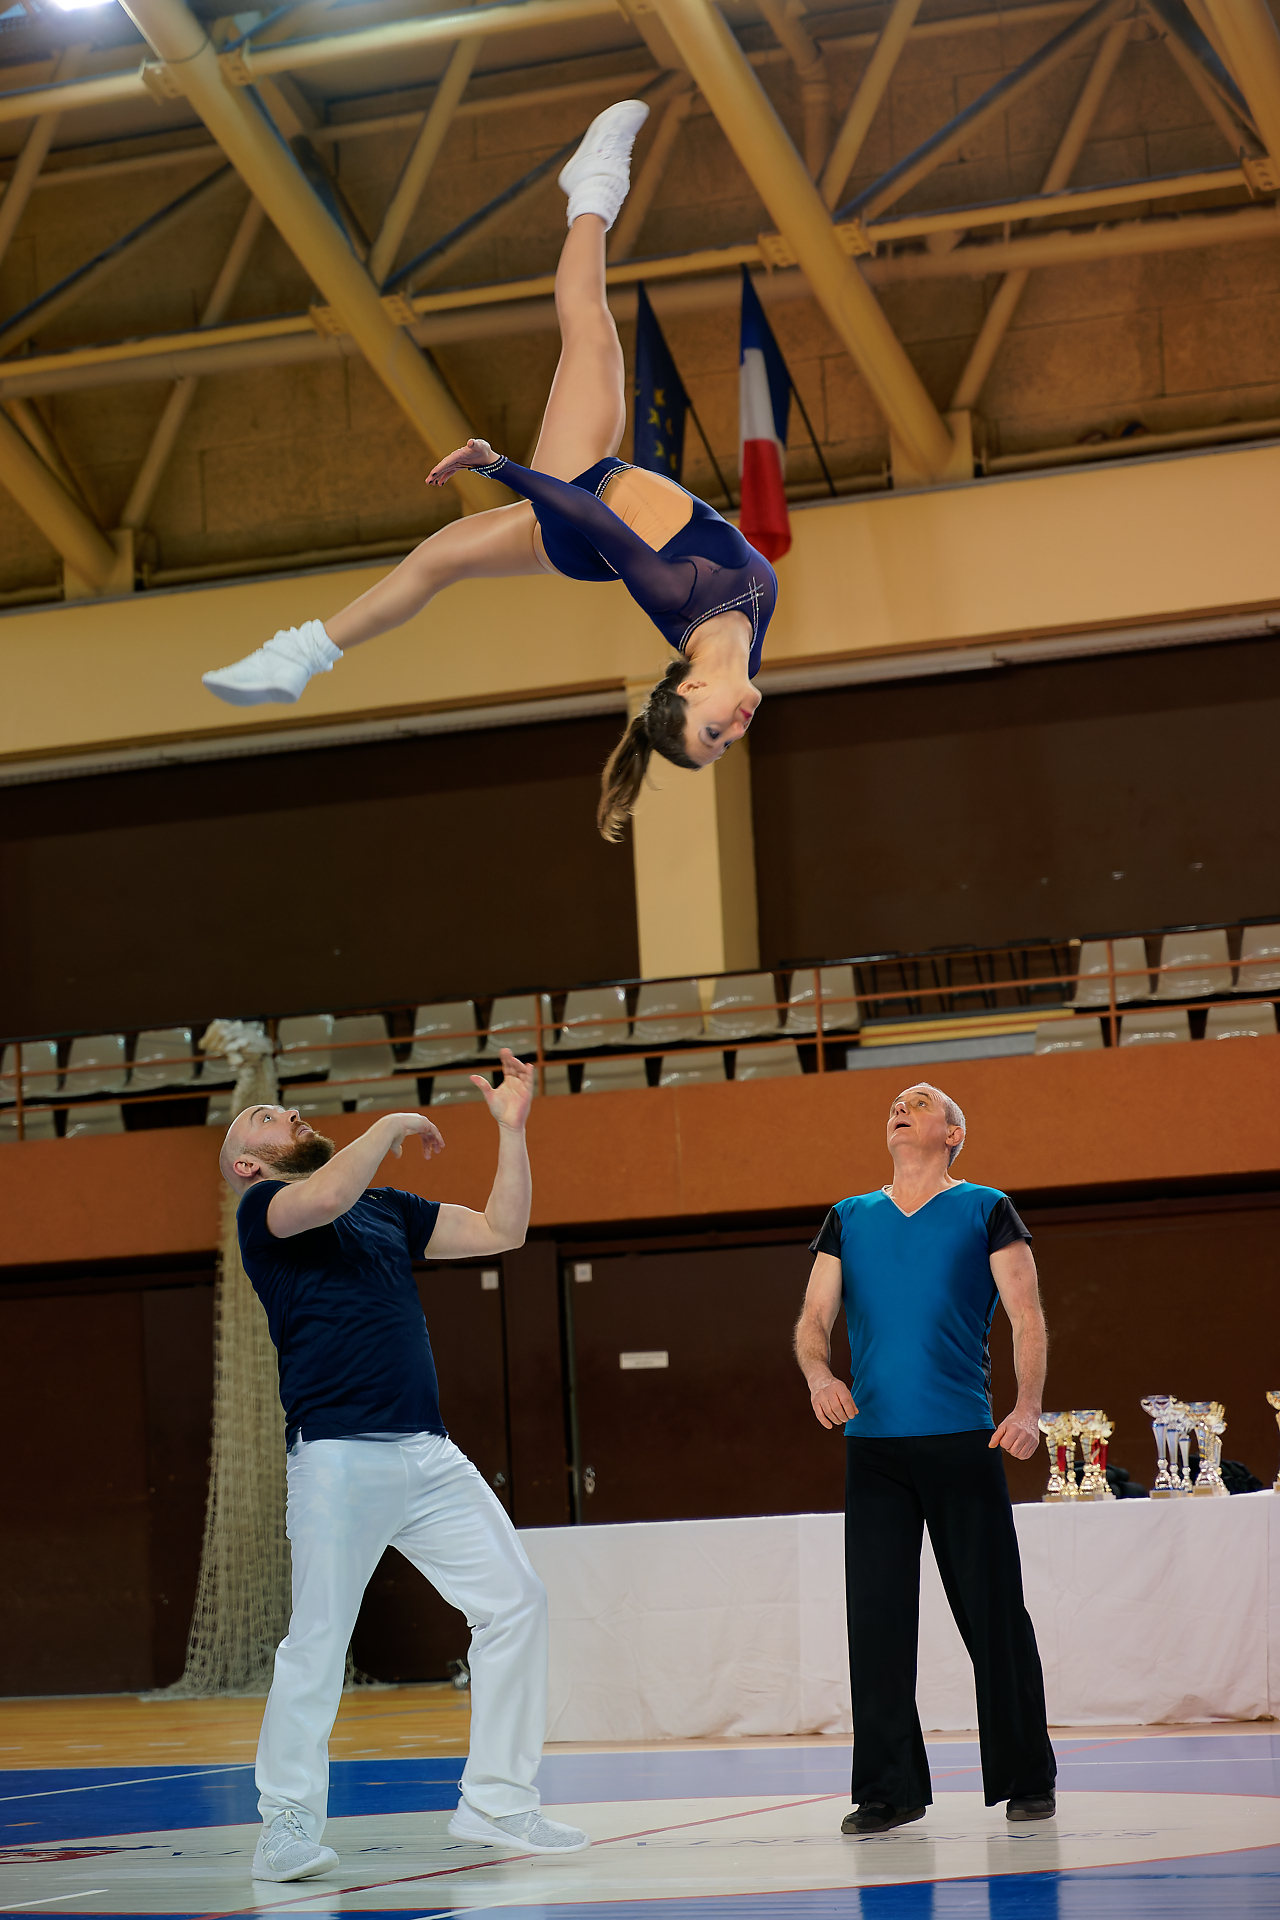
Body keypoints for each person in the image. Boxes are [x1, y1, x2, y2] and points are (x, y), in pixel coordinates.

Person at [200, 100, 776, 842]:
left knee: (584, 330)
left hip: (579, 503)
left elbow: (587, 514)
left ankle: (594, 184)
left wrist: (499, 465)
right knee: (444, 554)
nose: (734, 731)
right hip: (589, 521)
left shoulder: (683, 594)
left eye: (712, 733)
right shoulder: (741, 647)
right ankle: (299, 656)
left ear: (691, 689)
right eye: (723, 744)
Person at [220, 1050, 587, 1882]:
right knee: (316, 1640)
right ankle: (283, 1826)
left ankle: (498, 1803)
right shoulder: (266, 1208)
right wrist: (388, 1123)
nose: (292, 1117)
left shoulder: (385, 1207)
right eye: (270, 1118)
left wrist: (512, 1132)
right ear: (249, 1161)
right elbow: (326, 1194)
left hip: (428, 1452)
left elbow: (503, 1231)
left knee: (515, 1604)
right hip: (337, 1458)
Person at [793, 1083, 1056, 1835]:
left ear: (954, 1133)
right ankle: (889, 1789)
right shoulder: (849, 1217)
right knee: (875, 1622)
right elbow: (814, 1319)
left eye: (921, 1102)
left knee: (993, 1614)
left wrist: (1027, 1407)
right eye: (895, 1103)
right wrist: (820, 1374)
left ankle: (1025, 1775)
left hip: (961, 1440)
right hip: (873, 1450)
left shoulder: (986, 1208)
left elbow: (1026, 1314)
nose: (901, 1107)